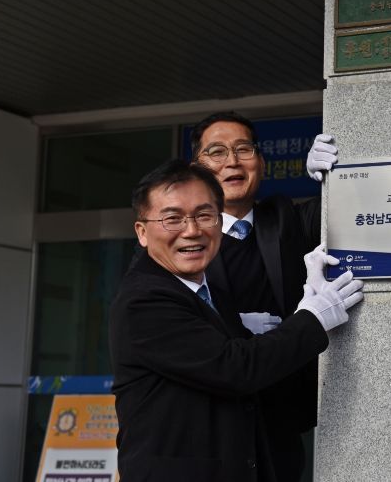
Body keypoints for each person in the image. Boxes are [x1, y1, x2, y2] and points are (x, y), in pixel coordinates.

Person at [109, 159, 363, 481]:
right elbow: (237, 368)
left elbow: (255, 365)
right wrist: (313, 316)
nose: (192, 231)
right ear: (142, 233)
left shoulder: (211, 293)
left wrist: (306, 301)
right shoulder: (144, 301)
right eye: (172, 219)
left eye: (205, 215)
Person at [187, 111, 337, 481]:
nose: (232, 161)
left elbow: (354, 211)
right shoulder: (180, 241)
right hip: (210, 427)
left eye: (244, 149)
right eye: (216, 152)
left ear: (262, 163)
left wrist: (336, 178)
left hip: (279, 427)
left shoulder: (286, 219)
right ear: (196, 170)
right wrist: (236, 327)